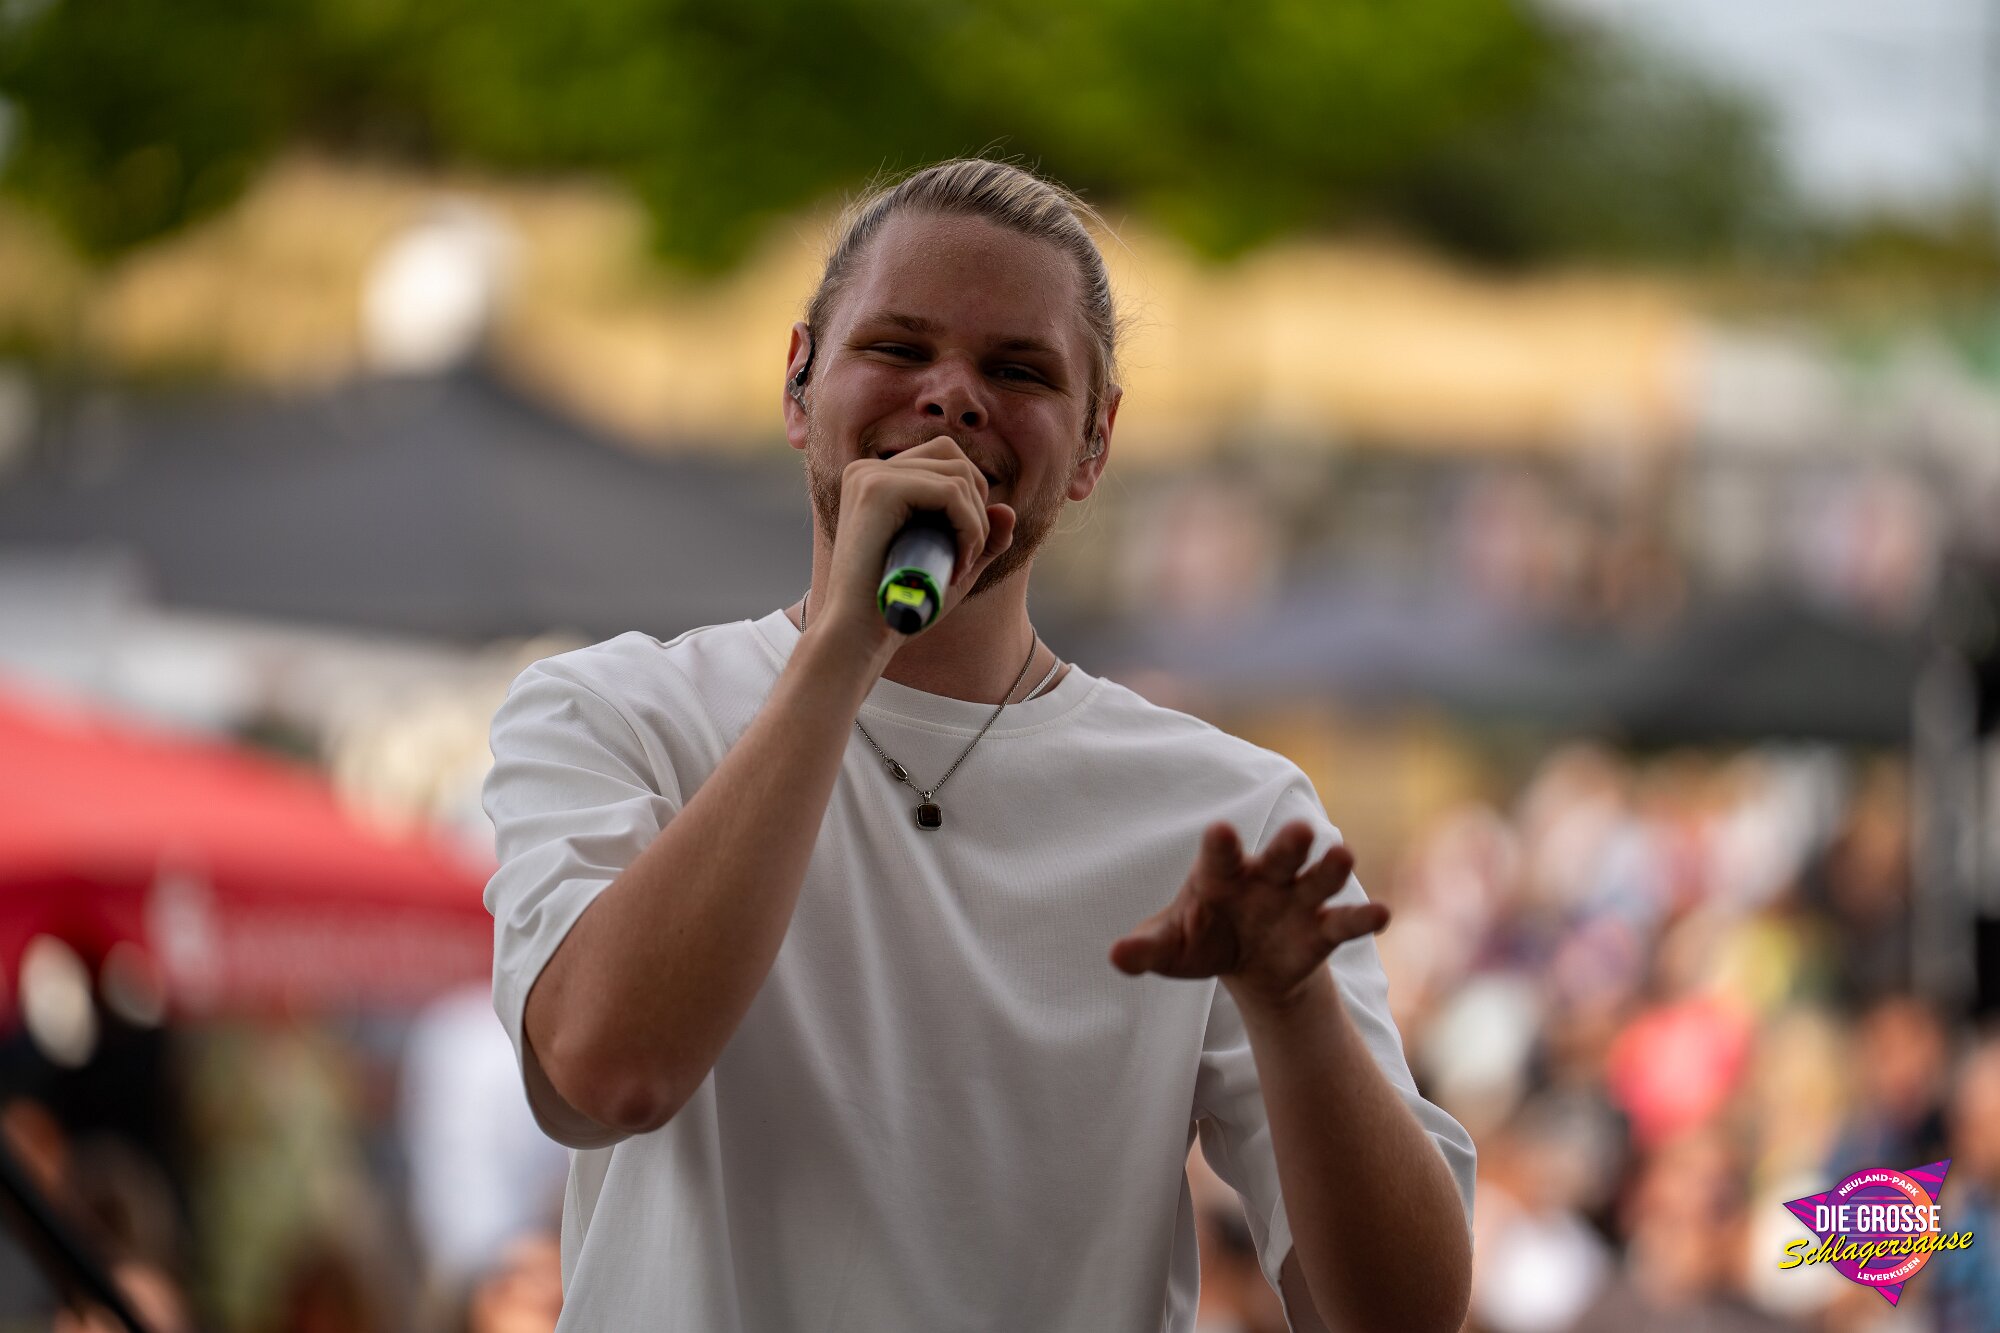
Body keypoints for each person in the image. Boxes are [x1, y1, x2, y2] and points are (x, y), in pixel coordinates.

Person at [482, 157, 1476, 1332]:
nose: (952, 397)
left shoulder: (1227, 818)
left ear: (1094, 445)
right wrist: (846, 649)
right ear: (798, 384)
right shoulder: (611, 714)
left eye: (1018, 370)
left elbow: (1401, 1317)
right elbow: (607, 1070)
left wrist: (1294, 1004)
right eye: (897, 348)